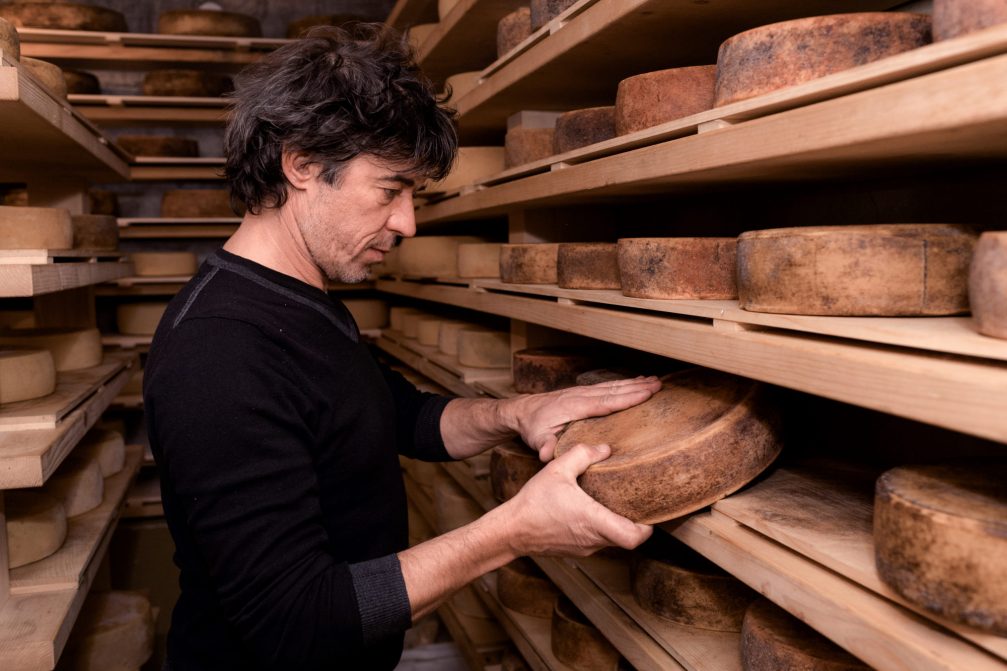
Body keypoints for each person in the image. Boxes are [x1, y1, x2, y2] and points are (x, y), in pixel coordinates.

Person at [144, 23, 659, 671]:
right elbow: (297, 621)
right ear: (300, 164)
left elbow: (397, 414)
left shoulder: (305, 302)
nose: (407, 223)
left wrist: (514, 415)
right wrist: (512, 529)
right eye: (389, 190)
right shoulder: (217, 352)